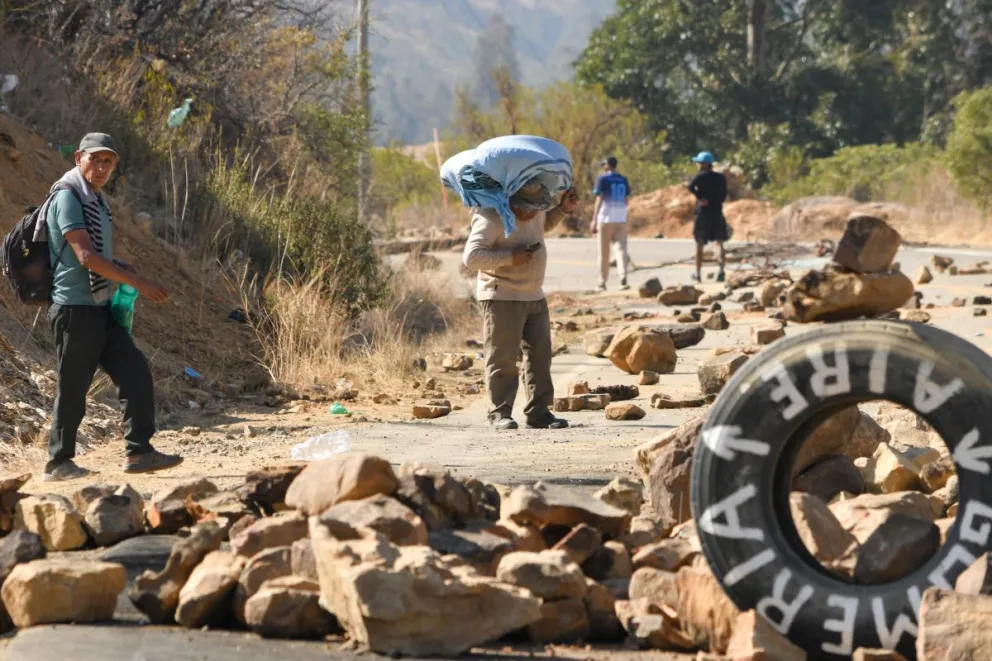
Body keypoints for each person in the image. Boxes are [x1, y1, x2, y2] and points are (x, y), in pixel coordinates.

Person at [42, 132, 183, 481]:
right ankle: (58, 462)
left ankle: (139, 452)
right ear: (79, 157)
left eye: (109, 162)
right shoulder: (68, 196)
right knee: (73, 387)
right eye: (96, 159)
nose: (102, 167)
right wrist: (138, 282)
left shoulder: (95, 198)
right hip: (74, 310)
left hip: (100, 308)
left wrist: (121, 266)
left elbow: (97, 253)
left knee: (135, 372)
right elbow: (85, 256)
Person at [463, 182, 579, 430]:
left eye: (535, 208)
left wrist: (562, 209)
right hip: (501, 295)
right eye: (525, 208)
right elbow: (472, 257)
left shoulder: (536, 213)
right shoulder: (491, 217)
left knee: (540, 356)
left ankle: (539, 412)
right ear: (511, 202)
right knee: (502, 357)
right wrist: (509, 258)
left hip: (533, 294)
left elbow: (543, 225)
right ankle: (500, 412)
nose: (530, 214)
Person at [590, 156, 632, 291]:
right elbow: (626, 200)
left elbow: (599, 199)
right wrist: (626, 217)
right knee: (621, 250)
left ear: (608, 165)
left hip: (606, 218)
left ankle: (602, 282)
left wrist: (594, 219)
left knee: (604, 252)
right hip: (620, 218)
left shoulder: (603, 179)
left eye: (604, 164)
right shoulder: (623, 179)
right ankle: (623, 278)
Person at [687, 151, 729, 282]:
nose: (697, 165)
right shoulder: (720, 178)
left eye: (699, 162)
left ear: (705, 164)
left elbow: (690, 187)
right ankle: (721, 271)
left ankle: (698, 274)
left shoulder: (701, 177)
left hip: (703, 213)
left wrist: (700, 198)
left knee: (699, 244)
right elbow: (724, 194)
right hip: (717, 212)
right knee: (719, 242)